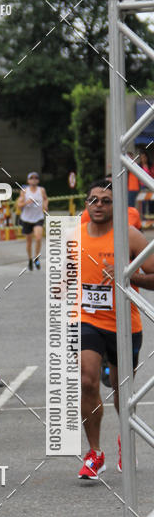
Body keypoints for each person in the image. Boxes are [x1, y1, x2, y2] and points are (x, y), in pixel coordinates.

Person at [79, 179, 154, 478]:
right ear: (86, 204)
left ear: (117, 206)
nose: (98, 205)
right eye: (93, 200)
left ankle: (126, 439)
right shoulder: (75, 237)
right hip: (88, 321)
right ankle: (94, 453)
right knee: (87, 380)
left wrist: (129, 276)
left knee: (123, 392)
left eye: (106, 200)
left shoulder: (130, 236)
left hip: (125, 324)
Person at [18, 172, 48, 270]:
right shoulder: (24, 191)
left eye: (36, 178)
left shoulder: (41, 190)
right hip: (27, 219)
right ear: (28, 181)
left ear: (38, 180)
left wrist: (45, 206)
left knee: (39, 238)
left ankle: (36, 258)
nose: (34, 179)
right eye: (31, 178)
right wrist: (27, 202)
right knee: (29, 241)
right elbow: (19, 204)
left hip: (38, 218)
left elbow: (45, 199)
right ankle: (30, 259)